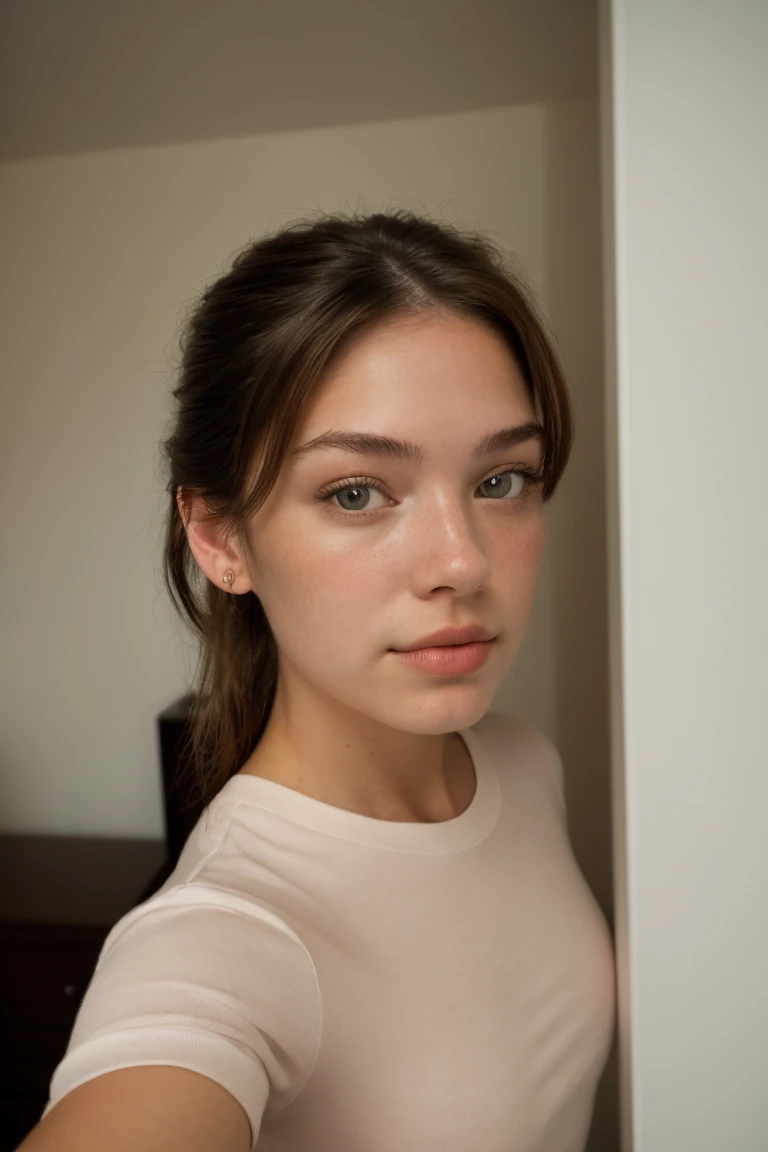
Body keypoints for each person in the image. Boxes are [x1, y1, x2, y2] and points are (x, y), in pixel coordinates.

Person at [22, 209, 616, 1152]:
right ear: (220, 537)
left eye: (502, 478)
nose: (461, 563)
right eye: (356, 493)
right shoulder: (224, 935)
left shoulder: (523, 765)